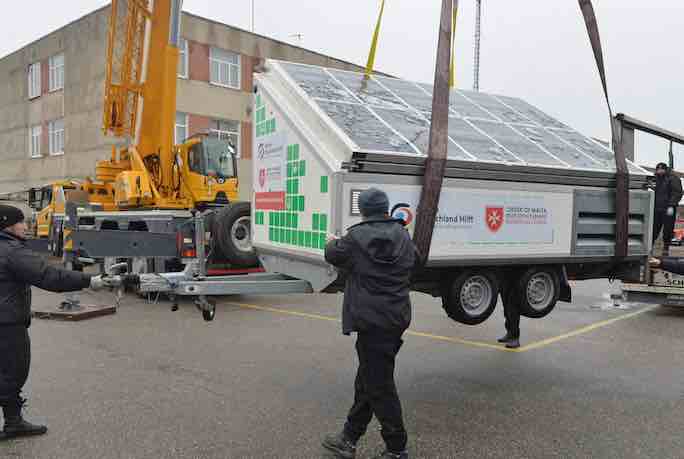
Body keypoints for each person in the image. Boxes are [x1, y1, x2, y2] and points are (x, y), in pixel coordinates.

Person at [0, 204, 111, 440]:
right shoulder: (11, 251)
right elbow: (49, 276)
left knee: (7, 372)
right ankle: (13, 422)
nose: (25, 226)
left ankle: (13, 421)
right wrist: (90, 281)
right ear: (8, 224)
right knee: (13, 373)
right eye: (21, 222)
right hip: (7, 324)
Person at [322, 188, 417, 459]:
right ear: (386, 209)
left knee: (379, 385)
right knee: (369, 378)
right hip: (395, 318)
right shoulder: (402, 234)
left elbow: (332, 253)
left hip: (371, 322)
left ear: (363, 210)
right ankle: (348, 437)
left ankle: (397, 448)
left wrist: (334, 240)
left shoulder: (355, 238)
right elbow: (416, 261)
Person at [652, 162, 683, 255]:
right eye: (658, 169)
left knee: (668, 229)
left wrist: (671, 205)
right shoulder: (656, 178)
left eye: (661, 169)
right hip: (657, 208)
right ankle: (650, 247)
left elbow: (677, 193)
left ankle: (666, 248)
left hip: (668, 208)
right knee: (654, 228)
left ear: (665, 169)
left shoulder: (673, 178)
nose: (659, 171)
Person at [497, 282, 522, 349]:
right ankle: (509, 333)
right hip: (505, 279)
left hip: (515, 279)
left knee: (513, 307)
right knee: (506, 308)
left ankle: (515, 338)